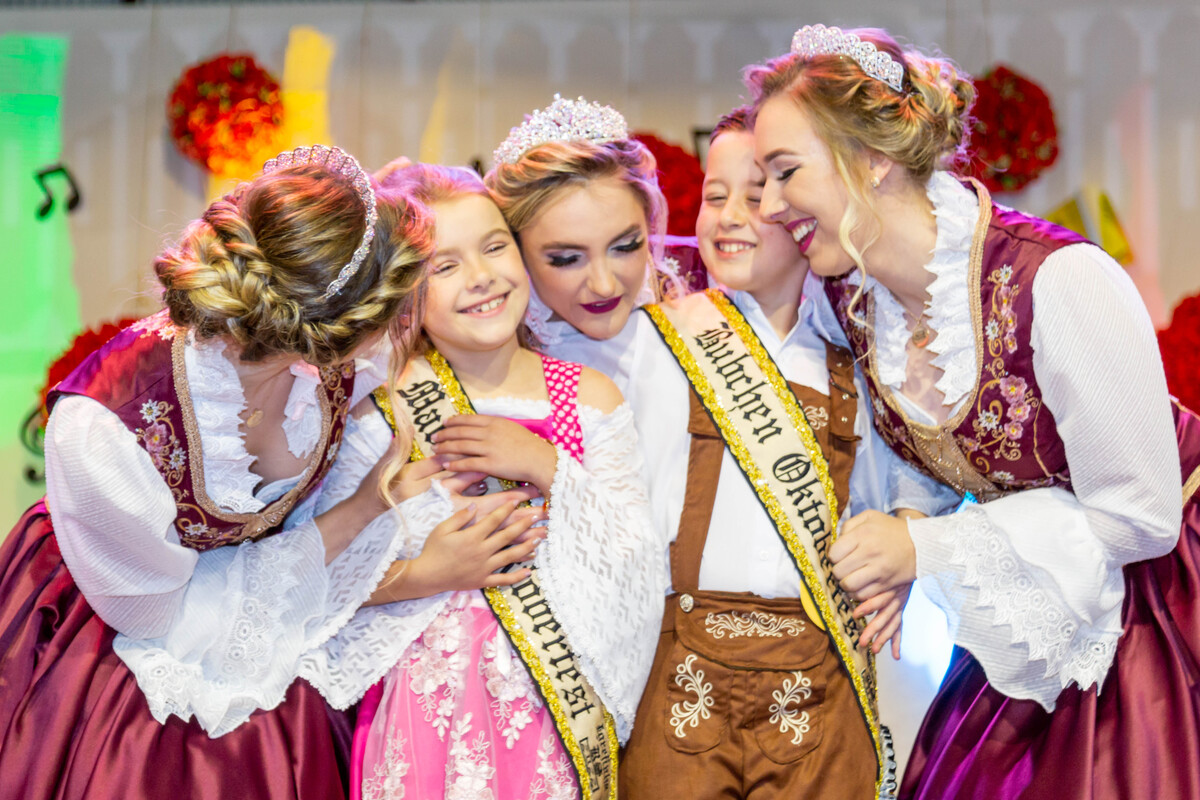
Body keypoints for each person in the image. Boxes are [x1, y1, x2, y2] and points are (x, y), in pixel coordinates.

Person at [747, 24, 1199, 799]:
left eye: (785, 171)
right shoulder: (855, 301)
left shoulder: (1059, 281)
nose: (768, 203)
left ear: (873, 158)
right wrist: (906, 534)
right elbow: (929, 453)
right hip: (1040, 572)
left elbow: (1140, 518)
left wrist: (927, 550)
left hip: (1160, 592)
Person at [0, 145, 533, 800]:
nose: (408, 323)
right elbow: (167, 622)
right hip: (123, 626)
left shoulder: (341, 368)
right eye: (401, 307)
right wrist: (365, 513)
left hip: (261, 610)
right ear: (336, 334)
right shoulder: (106, 430)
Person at [488, 96, 945, 798]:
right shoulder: (646, 340)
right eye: (714, 195)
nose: (730, 214)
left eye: (757, 194)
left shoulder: (857, 362)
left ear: (805, 212)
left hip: (816, 673)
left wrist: (910, 533)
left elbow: (924, 470)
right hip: (682, 670)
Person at [305, 163, 662, 800]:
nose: (481, 277)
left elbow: (637, 559)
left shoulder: (586, 396)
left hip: (556, 708)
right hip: (424, 706)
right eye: (444, 266)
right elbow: (317, 577)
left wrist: (545, 465)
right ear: (402, 290)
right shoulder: (379, 407)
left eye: (495, 247)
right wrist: (431, 572)